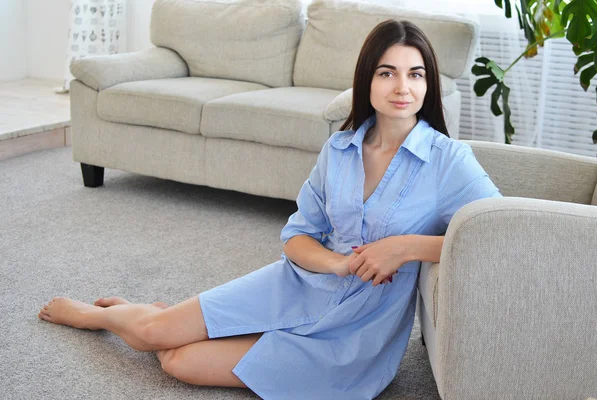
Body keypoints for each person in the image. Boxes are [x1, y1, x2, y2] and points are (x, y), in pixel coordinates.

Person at [38, 19, 502, 400]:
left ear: (429, 82)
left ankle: (148, 316)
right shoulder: (339, 149)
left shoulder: (448, 161)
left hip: (354, 335)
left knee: (181, 361)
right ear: (368, 79)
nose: (402, 87)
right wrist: (339, 263)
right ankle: (98, 315)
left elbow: (499, 235)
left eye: (415, 74)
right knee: (157, 333)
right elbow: (297, 236)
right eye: (387, 72)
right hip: (299, 284)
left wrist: (403, 248)